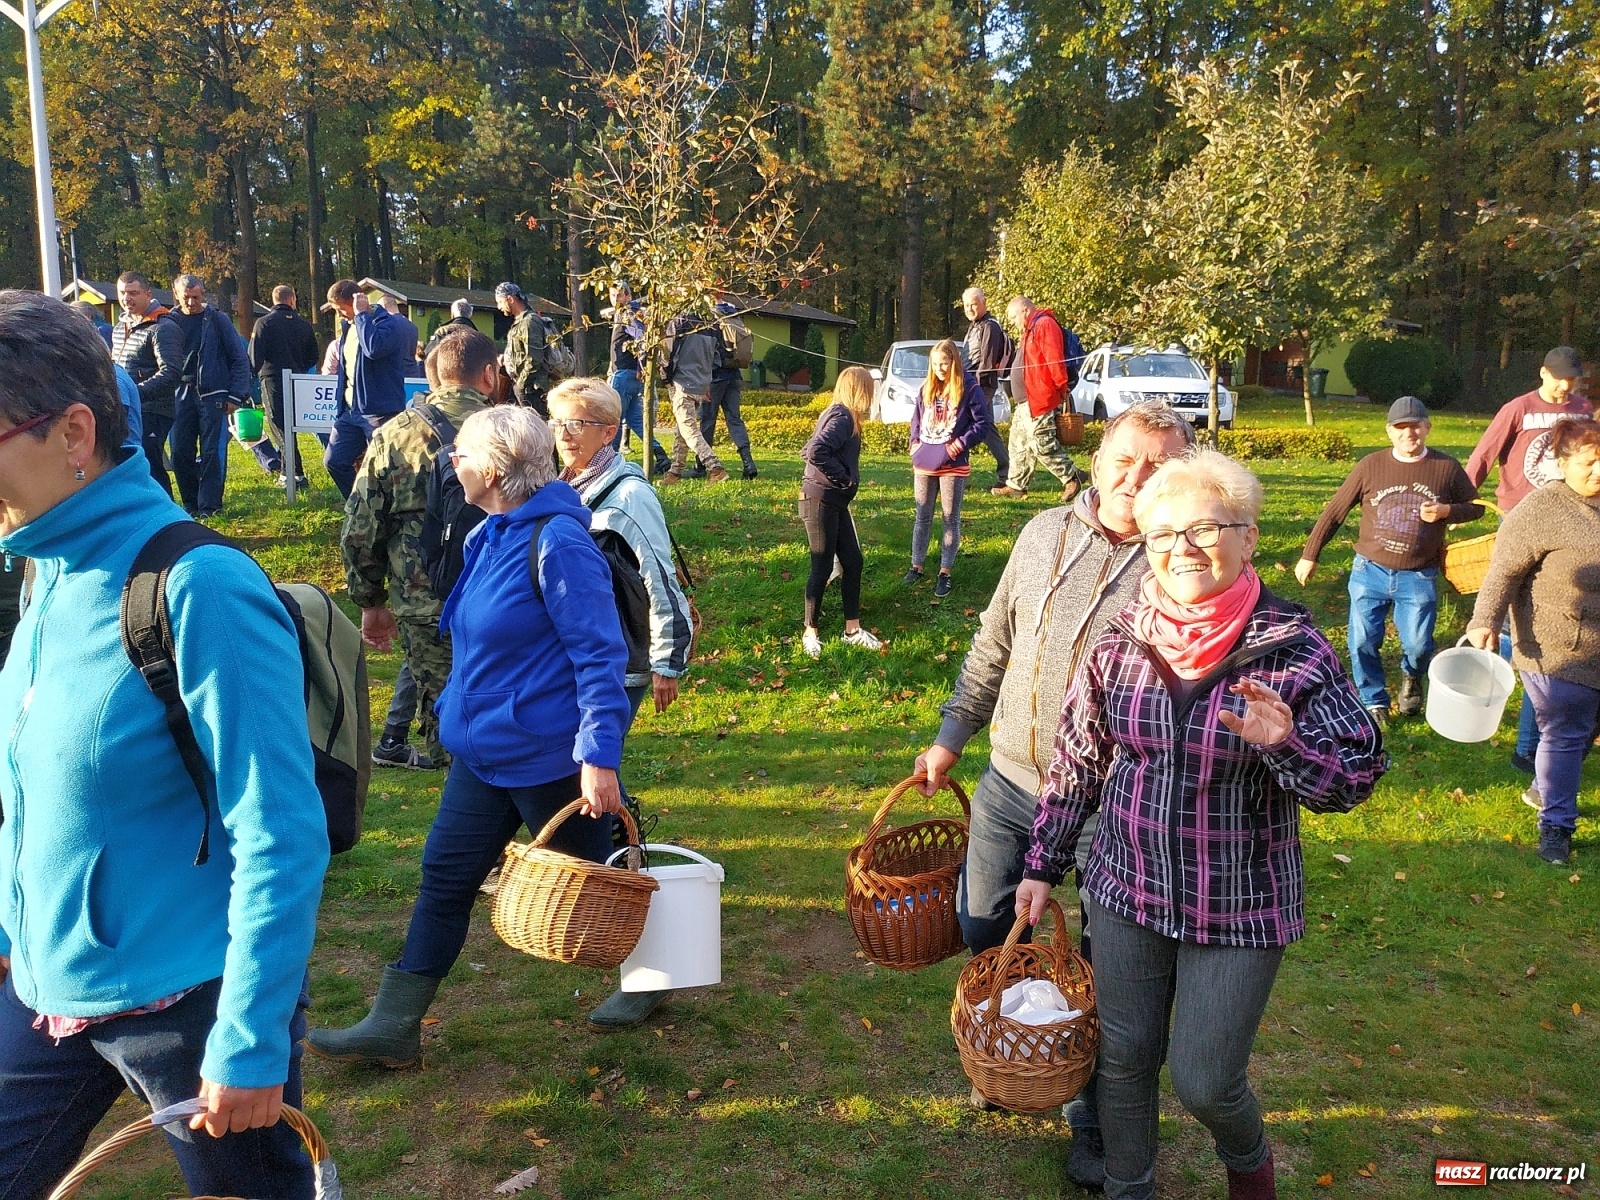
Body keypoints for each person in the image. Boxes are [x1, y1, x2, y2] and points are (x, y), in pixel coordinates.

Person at [0, 289, 328, 1199]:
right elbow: (27, 778)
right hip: (45, 989)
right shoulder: (43, 569)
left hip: (193, 1006)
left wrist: (252, 1037)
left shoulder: (199, 585)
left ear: (74, 433)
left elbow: (280, 827)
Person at [1016, 448, 1386, 1200]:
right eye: (1162, 535)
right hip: (1126, 888)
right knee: (1123, 1059)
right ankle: (1129, 1188)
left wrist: (1287, 746)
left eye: (1205, 529)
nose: (1182, 549)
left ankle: (1248, 1163)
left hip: (1241, 902)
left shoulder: (1294, 649)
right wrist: (1042, 863)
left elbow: (1356, 774)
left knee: (1206, 1080)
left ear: (1248, 538)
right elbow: (1078, 759)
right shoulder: (1121, 639)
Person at [913, 400, 1195, 1186]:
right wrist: (951, 737)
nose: (1136, 479)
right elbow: (994, 642)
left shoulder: (1181, 565)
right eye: (1125, 460)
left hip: (1116, 803)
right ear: (1098, 460)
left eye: (1158, 467)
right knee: (984, 924)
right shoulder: (1042, 533)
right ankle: (1012, 1051)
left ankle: (1092, 1117)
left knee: (1105, 969)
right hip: (1012, 778)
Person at [306, 406, 631, 1069]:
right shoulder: (489, 532)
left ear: (499, 468)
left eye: (463, 451)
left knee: (606, 879)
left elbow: (600, 656)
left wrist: (599, 757)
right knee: (446, 877)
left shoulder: (560, 545)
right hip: (482, 755)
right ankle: (394, 1027)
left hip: (547, 758)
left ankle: (659, 974)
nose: (451, 459)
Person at [547, 376, 695, 1029]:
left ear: (609, 430)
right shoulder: (565, 488)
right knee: (594, 792)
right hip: (580, 665)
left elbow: (662, 580)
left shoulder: (629, 494)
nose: (564, 434)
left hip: (625, 665)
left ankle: (649, 952)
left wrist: (666, 662)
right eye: (558, 422)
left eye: (578, 423)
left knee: (604, 797)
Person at [344, 328, 498, 773]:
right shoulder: (513, 430)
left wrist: (371, 601)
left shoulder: (395, 435)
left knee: (447, 718)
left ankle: (464, 798)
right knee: (503, 707)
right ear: (489, 374)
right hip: (504, 596)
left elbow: (361, 529)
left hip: (424, 601)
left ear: (435, 376)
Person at [1295, 396, 1483, 721]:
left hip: (1418, 574)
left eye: (1415, 426)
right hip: (1370, 570)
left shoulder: (1446, 467)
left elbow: (1476, 508)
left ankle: (1412, 676)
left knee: (1418, 644)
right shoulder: (1371, 465)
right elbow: (1335, 511)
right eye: (1401, 427)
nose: (1409, 433)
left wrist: (1446, 511)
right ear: (1389, 431)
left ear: (1427, 427)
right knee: (1362, 641)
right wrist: (1310, 554)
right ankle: (1373, 699)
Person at [1465, 418, 1600, 867]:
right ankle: (1557, 827)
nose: (1598, 470)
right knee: (1565, 731)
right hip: (1556, 646)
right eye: (1588, 462)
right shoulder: (1542, 509)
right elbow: (1503, 570)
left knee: (1582, 730)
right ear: (1563, 463)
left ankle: (1545, 786)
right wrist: (1485, 619)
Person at [1465, 345, 1596, 779]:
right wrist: (1460, 501)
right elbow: (1484, 455)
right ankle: (1526, 735)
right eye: (1559, 378)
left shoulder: (1584, 410)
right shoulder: (1518, 408)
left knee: (1552, 642)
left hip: (1576, 528)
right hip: (1523, 519)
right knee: (1523, 633)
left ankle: (1540, 745)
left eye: (1572, 379)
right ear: (1543, 373)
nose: (1565, 386)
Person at [798, 366, 882, 658]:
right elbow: (815, 451)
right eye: (869, 389)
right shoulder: (843, 417)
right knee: (821, 566)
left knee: (853, 562)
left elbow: (810, 449)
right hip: (820, 500)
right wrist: (844, 478)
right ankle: (810, 632)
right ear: (859, 390)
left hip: (833, 501)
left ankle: (852, 630)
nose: (871, 395)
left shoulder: (842, 415)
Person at [905, 339, 988, 599]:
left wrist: (960, 444)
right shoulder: (926, 388)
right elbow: (916, 419)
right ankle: (916, 566)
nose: (940, 369)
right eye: (935, 364)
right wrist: (914, 443)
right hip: (925, 462)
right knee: (922, 516)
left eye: (944, 363)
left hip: (953, 464)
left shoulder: (969, 388)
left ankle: (945, 571)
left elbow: (982, 423)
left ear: (954, 362)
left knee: (950, 517)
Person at [167, 275, 251, 519]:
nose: (191, 302)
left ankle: (210, 506)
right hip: (179, 392)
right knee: (179, 452)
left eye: (195, 297)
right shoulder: (168, 321)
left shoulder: (217, 320)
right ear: (176, 294)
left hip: (212, 394)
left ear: (203, 295)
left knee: (212, 452)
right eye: (186, 297)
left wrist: (236, 395)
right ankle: (190, 503)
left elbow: (239, 358)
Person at [992, 295, 1087, 501]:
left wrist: (1062, 386)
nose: (1013, 323)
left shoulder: (1044, 324)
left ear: (1025, 310)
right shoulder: (1031, 328)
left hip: (1039, 397)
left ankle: (1072, 476)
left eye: (1014, 317)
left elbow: (1054, 358)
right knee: (1018, 442)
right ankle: (1016, 485)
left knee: (1041, 442)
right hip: (1026, 399)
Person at [323, 279, 412, 499]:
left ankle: (385, 510)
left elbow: (374, 348)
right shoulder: (349, 327)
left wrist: (362, 315)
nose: (339, 314)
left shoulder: (388, 324)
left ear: (356, 301)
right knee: (334, 461)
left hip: (379, 411)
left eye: (341, 308)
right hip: (350, 411)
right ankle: (358, 505)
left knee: (384, 469)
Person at [112, 270, 183, 494]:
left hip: (154, 410)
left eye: (133, 293)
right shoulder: (119, 328)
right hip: (125, 408)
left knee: (151, 466)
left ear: (148, 294)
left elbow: (171, 373)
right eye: (122, 293)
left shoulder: (163, 327)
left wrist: (134, 393)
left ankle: (166, 511)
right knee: (130, 464)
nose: (127, 298)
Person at [247, 284, 321, 486]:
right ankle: (288, 471)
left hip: (272, 379)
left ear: (274, 299)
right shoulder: (304, 325)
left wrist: (248, 380)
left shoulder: (264, 323)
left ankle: (294, 473)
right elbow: (313, 355)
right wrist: (299, 368)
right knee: (290, 426)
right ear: (292, 300)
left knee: (279, 426)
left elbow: (254, 357)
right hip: (297, 380)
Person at [661, 312, 729, 484]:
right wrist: (707, 381)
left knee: (688, 430)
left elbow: (667, 353)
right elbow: (718, 358)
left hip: (682, 383)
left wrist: (665, 378)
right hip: (701, 383)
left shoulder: (679, 321)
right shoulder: (713, 323)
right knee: (682, 429)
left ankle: (715, 467)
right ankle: (675, 472)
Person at [608, 283, 669, 471]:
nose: (615, 299)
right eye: (612, 295)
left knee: (615, 417)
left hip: (625, 374)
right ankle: (661, 455)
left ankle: (610, 461)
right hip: (632, 375)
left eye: (619, 295)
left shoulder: (627, 314)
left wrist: (641, 364)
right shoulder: (631, 313)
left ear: (628, 296)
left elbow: (642, 337)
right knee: (636, 420)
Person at [696, 300, 758, 480]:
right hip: (734, 377)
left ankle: (701, 465)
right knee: (734, 420)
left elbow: (708, 354)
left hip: (715, 378)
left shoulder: (713, 323)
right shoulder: (736, 321)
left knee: (707, 420)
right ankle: (748, 462)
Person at [961, 287, 1011, 489]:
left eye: (973, 304)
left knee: (968, 426)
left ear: (984, 303)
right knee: (986, 428)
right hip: (972, 385)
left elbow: (987, 363)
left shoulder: (989, 327)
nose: (969, 309)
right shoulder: (975, 325)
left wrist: (975, 392)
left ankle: (958, 474)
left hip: (979, 387)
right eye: (966, 305)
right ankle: (1006, 474)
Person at [497, 282, 548, 414]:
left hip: (531, 390)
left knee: (536, 423)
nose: (499, 307)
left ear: (510, 299)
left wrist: (521, 385)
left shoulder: (529, 322)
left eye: (500, 302)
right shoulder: (520, 321)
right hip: (525, 388)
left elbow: (534, 359)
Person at [377, 293, 421, 367]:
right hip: (412, 369)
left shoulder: (387, 324)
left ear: (384, 307)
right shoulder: (413, 327)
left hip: (395, 369)